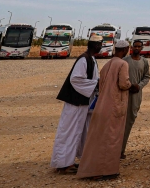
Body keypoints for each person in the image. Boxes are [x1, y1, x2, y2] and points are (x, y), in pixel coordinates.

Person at [77, 40, 131, 179]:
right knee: (111, 138)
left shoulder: (106, 64)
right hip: (114, 106)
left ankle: (91, 169)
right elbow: (123, 83)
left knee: (99, 138)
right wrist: (132, 85)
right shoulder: (123, 63)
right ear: (125, 49)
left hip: (102, 105)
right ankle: (105, 171)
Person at [50, 35, 102, 173]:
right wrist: (96, 84)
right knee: (69, 132)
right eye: (100, 44)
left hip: (83, 103)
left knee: (79, 132)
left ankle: (70, 161)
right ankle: (63, 164)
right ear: (96, 45)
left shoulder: (91, 59)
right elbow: (76, 79)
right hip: (75, 103)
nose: (101, 47)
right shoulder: (83, 59)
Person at [121, 39, 150, 158]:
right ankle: (116, 150)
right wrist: (128, 86)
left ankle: (121, 150)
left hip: (136, 95)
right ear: (131, 48)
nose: (137, 48)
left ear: (142, 48)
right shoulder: (125, 61)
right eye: (135, 46)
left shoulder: (144, 62)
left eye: (139, 47)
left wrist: (139, 86)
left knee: (129, 121)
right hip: (124, 94)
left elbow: (147, 77)